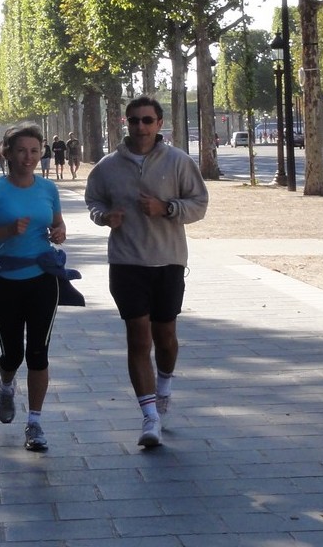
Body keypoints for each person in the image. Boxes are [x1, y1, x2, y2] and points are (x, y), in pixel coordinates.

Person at [85, 96, 208, 447]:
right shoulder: (108, 166)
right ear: (125, 123)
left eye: (147, 120)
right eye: (134, 120)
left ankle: (165, 382)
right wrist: (103, 217)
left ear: (159, 123)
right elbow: (93, 200)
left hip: (168, 261)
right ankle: (149, 417)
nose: (140, 126)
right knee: (138, 337)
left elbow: (199, 204)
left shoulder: (179, 161)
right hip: (126, 263)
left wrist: (167, 207)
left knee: (165, 337)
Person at [0, 122, 69, 451]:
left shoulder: (48, 189)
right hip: (4, 282)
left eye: (35, 151)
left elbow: (57, 223)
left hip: (42, 279)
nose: (29, 157)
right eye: (22, 151)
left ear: (42, 154)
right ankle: (7, 385)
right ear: (7, 153)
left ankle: (35, 423)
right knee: (12, 353)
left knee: (38, 353)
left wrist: (59, 233)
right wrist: (6, 231)